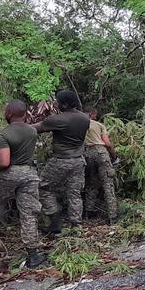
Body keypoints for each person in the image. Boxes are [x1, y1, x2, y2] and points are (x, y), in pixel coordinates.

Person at [0, 99, 45, 268]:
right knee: (29, 213)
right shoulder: (32, 131)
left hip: (9, 175)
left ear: (9, 114)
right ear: (25, 114)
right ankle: (33, 255)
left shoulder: (3, 135)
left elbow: (4, 162)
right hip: (30, 175)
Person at [34, 90, 90, 235]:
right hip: (78, 161)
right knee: (74, 193)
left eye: (58, 102)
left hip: (61, 160)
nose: (56, 104)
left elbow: (34, 129)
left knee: (43, 187)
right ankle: (76, 226)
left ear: (64, 104)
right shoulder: (85, 118)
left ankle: (55, 220)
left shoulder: (58, 119)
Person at [83, 105, 119, 223]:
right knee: (108, 184)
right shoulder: (99, 125)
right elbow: (107, 143)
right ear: (92, 114)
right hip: (100, 152)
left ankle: (88, 213)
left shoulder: (79, 124)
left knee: (91, 183)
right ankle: (112, 217)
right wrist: (114, 157)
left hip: (86, 154)